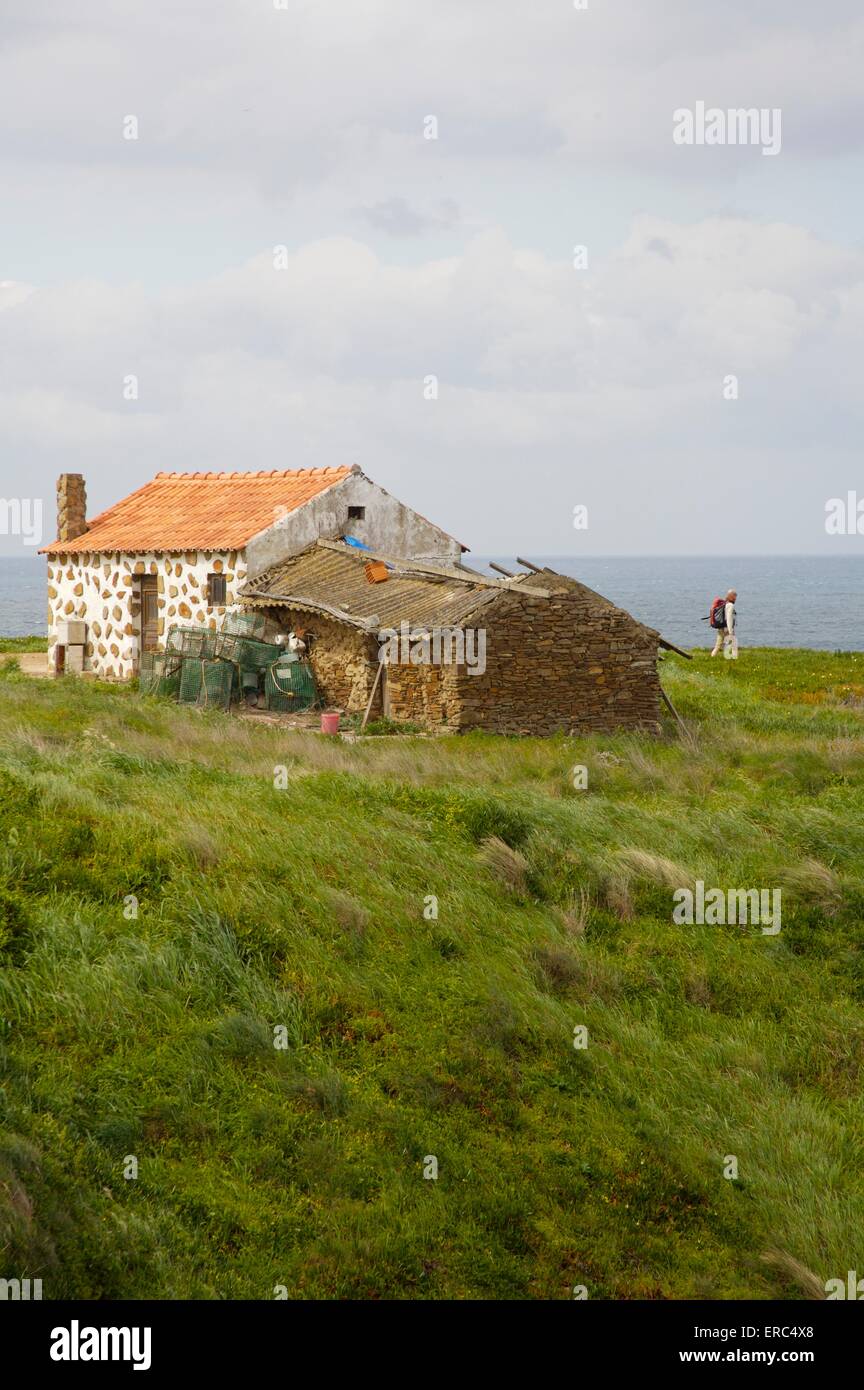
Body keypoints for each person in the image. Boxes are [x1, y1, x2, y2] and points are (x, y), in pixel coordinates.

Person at [710, 589, 738, 659]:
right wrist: (730, 631)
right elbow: (729, 618)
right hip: (726, 629)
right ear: (731, 596)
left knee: (718, 645)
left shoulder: (724, 604)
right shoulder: (730, 605)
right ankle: (734, 658)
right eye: (735, 596)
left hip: (721, 628)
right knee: (733, 644)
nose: (735, 598)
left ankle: (712, 657)